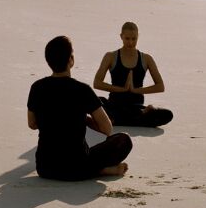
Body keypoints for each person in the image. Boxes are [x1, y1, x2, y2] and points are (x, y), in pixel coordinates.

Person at [28, 36, 132, 180]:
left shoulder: (37, 87)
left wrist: (54, 120)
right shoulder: (82, 90)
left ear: (48, 61)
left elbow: (32, 124)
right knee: (123, 140)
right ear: (71, 60)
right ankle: (99, 170)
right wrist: (84, 120)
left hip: (45, 168)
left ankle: (98, 170)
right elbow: (107, 128)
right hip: (77, 166)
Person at [92, 22, 173, 127]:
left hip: (136, 108)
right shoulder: (111, 56)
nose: (130, 42)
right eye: (127, 39)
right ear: (121, 36)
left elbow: (160, 86)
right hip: (114, 105)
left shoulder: (146, 59)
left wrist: (136, 90)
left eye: (134, 39)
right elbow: (97, 83)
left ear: (138, 37)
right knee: (97, 101)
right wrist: (122, 89)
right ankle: (132, 120)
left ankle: (115, 120)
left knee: (167, 114)